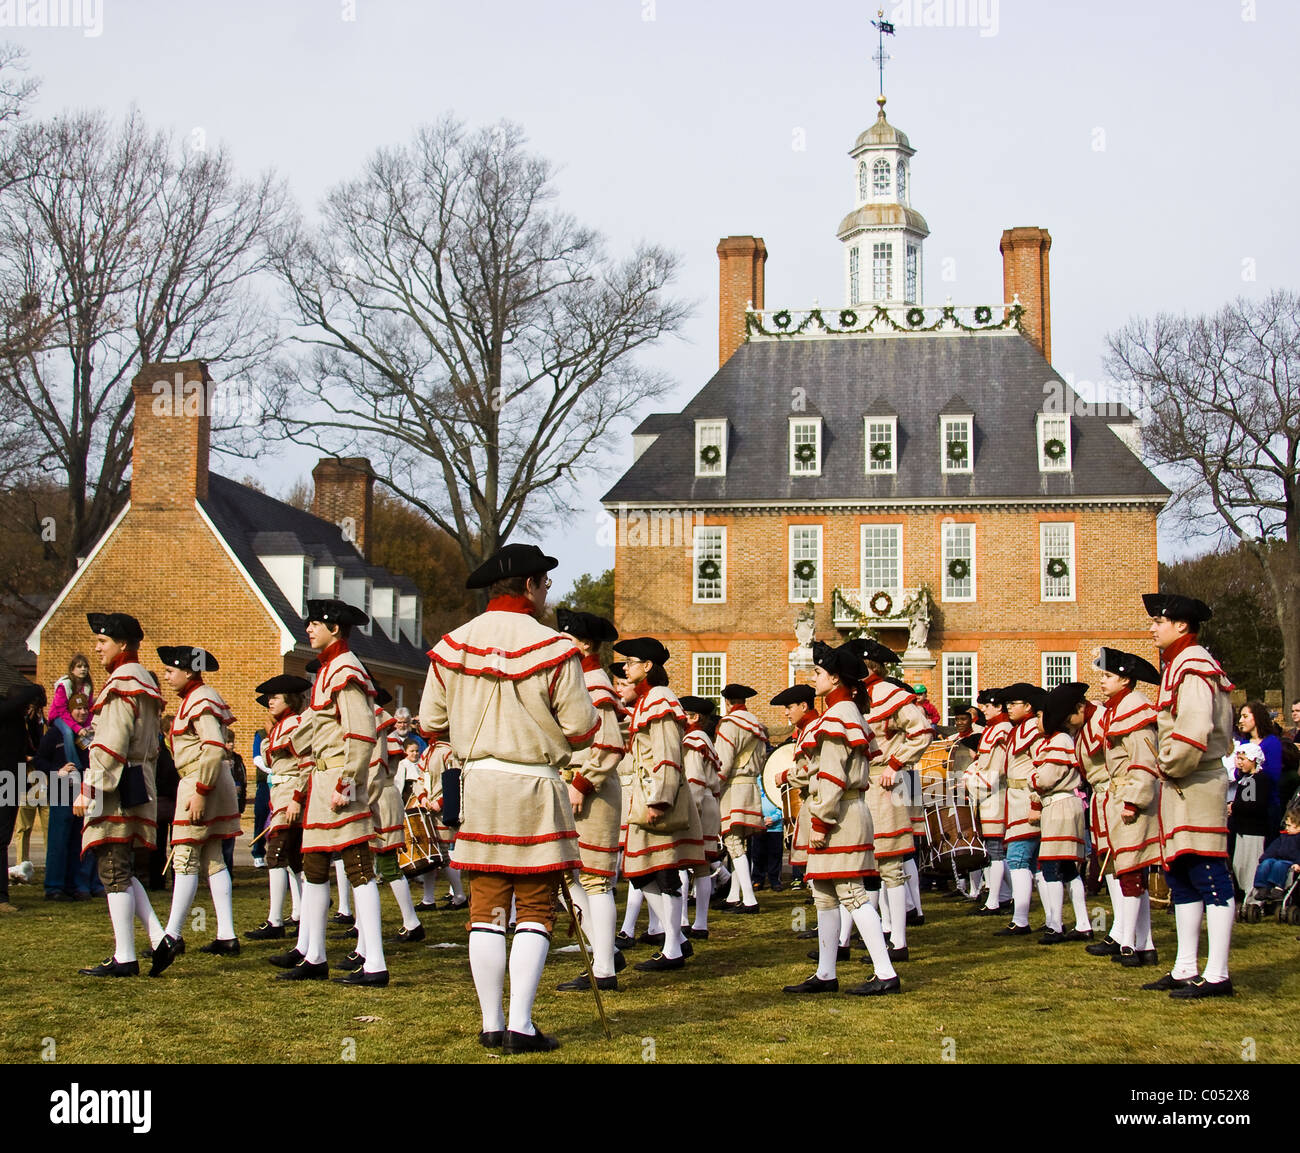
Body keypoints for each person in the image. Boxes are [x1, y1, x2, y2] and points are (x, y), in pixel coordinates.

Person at [420, 543, 599, 1052]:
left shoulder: (451, 645)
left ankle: (490, 1022)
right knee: (535, 905)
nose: (546, 594)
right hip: (535, 784)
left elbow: (432, 723)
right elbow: (582, 727)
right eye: (543, 584)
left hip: (478, 785)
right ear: (528, 586)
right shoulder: (556, 647)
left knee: (487, 906)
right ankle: (521, 1024)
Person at [276, 599, 387, 986]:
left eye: (315, 624)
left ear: (335, 629)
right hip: (323, 783)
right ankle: (315, 955)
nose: (308, 629)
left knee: (358, 867)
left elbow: (361, 732)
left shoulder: (345, 668)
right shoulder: (328, 668)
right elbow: (317, 729)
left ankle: (375, 963)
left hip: (341, 782)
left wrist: (349, 782)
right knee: (315, 868)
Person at [782, 640, 899, 996]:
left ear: (834, 679)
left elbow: (832, 775)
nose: (813, 677)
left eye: (818, 672)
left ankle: (886, 971)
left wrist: (819, 822)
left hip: (839, 814)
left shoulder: (838, 716)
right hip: (843, 810)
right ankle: (826, 973)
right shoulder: (846, 713)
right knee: (825, 894)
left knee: (851, 893)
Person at [1140, 592, 1237, 999]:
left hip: (1196, 780)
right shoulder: (1182, 663)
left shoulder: (1193, 664)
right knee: (1181, 875)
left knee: (1208, 872)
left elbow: (1194, 730)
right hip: (1184, 784)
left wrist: (1168, 765)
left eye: (1159, 620)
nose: (1152, 627)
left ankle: (1217, 973)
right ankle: (1185, 966)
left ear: (1181, 625)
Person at [72, 612, 167, 975]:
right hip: (137, 779)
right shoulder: (142, 680)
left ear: (122, 644)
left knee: (113, 867)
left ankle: (125, 957)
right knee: (122, 867)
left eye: (103, 641)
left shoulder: (121, 683)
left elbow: (110, 744)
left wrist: (89, 788)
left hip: (117, 784)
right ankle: (159, 939)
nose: (97, 648)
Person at [615, 636, 706, 974]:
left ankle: (673, 946)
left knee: (665, 872)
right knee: (640, 873)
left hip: (658, 798)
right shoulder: (647, 699)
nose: (625, 668)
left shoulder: (660, 698)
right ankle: (676, 939)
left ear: (648, 666)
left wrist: (661, 798)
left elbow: (668, 753)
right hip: (645, 796)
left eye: (631, 662)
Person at [149, 646, 242, 974]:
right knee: (213, 857)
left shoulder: (200, 698)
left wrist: (201, 791)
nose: (166, 675)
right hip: (206, 781)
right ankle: (226, 934)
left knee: (185, 856)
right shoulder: (198, 697)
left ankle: (171, 936)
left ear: (188, 671)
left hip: (202, 782)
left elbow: (214, 748)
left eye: (171, 670)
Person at [553, 608, 626, 994]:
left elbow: (611, 744)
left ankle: (604, 969)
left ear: (583, 643)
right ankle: (605, 950)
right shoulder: (577, 679)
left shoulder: (594, 681)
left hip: (592, 790)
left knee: (596, 879)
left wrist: (582, 783)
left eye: (568, 636)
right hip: (574, 785)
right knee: (567, 877)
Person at [852, 639, 931, 958]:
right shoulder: (859, 697)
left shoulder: (890, 694)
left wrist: (897, 763)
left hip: (887, 782)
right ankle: (878, 929)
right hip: (864, 783)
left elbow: (922, 730)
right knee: (868, 864)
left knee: (891, 862)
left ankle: (898, 939)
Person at [1086, 648, 1162, 967]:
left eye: (1108, 676)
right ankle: (1143, 943)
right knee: (1127, 869)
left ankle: (1129, 942)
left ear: (1125, 679)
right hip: (1118, 795)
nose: (1102, 681)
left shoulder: (1134, 708)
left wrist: (1133, 799)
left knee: (1131, 869)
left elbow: (1143, 760)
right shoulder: (1118, 708)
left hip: (1130, 797)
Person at [245, 675, 311, 942]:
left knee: (276, 855)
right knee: (294, 860)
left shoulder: (295, 725)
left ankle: (275, 920)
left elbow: (306, 763)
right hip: (281, 795)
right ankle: (301, 912)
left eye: (276, 697)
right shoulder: (281, 726)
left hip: (290, 796)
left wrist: (296, 797)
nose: (270, 702)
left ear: (290, 700)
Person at [1030, 682, 1090, 944]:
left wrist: (1033, 777)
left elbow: (1045, 777)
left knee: (1054, 866)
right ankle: (1083, 922)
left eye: (1041, 716)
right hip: (1064, 805)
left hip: (1060, 806)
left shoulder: (1059, 740)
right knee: (1068, 868)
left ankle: (1055, 924)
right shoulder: (1060, 740)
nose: (1037, 721)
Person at [36, 693, 103, 900]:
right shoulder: (56, 734)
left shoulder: (91, 734)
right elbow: (39, 761)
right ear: (69, 711)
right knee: (59, 841)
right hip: (62, 793)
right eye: (77, 709)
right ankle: (55, 887)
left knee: (80, 841)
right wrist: (58, 770)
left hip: (84, 791)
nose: (82, 712)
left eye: (85, 709)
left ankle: (77, 885)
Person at [996, 683, 1047, 937]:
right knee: (1036, 864)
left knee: (1018, 859)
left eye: (1014, 704)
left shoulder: (1033, 731)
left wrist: (1036, 802)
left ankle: (1021, 919)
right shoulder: (1020, 730)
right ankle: (1051, 921)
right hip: (1017, 800)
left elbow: (1041, 767)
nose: (1008, 708)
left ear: (1028, 706)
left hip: (1027, 801)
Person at [714, 683, 768, 913]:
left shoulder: (729, 724)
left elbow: (723, 762)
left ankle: (749, 899)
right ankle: (734, 895)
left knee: (733, 843)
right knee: (739, 844)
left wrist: (713, 786)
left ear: (727, 703)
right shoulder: (756, 724)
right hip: (750, 784)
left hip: (734, 787)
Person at [963, 688, 1013, 915]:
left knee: (996, 849)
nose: (982, 709)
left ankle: (996, 899)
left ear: (998, 706)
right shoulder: (995, 729)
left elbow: (995, 770)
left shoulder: (1002, 730)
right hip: (989, 794)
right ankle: (1001, 895)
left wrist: (970, 779)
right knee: (993, 848)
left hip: (995, 794)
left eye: (987, 705)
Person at [679, 695, 723, 938]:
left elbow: (694, 778)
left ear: (695, 717)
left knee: (685, 862)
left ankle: (685, 919)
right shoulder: (705, 738)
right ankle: (701, 923)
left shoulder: (694, 739)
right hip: (709, 802)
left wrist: (689, 811)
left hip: (698, 803)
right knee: (702, 866)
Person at [1, 680, 46, 913]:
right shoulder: (6, 712)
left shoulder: (20, 722)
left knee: (3, 839)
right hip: (4, 782)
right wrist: (37, 690)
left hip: (12, 783)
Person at [770, 684, 819, 894]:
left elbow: (816, 768)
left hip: (818, 802)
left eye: (790, 707)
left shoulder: (814, 729)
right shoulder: (806, 730)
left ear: (804, 705)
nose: (786, 712)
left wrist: (786, 776)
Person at [1227, 742, 1274, 900]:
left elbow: (1254, 805)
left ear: (1254, 759)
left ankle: (1253, 899)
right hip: (1241, 829)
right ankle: (1244, 895)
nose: (1239, 762)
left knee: (1251, 866)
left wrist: (1235, 807)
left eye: (1243, 759)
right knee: (1238, 865)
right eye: (1238, 758)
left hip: (1254, 830)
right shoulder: (1245, 779)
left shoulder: (1259, 779)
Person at [1250, 806, 1300, 897]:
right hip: (1279, 859)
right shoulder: (1283, 837)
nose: (1286, 828)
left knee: (1279, 864)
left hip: (1291, 863)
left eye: (1289, 826)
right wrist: (1264, 858)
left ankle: (1278, 888)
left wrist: (1298, 863)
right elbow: (1273, 848)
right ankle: (1262, 887)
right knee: (1267, 862)